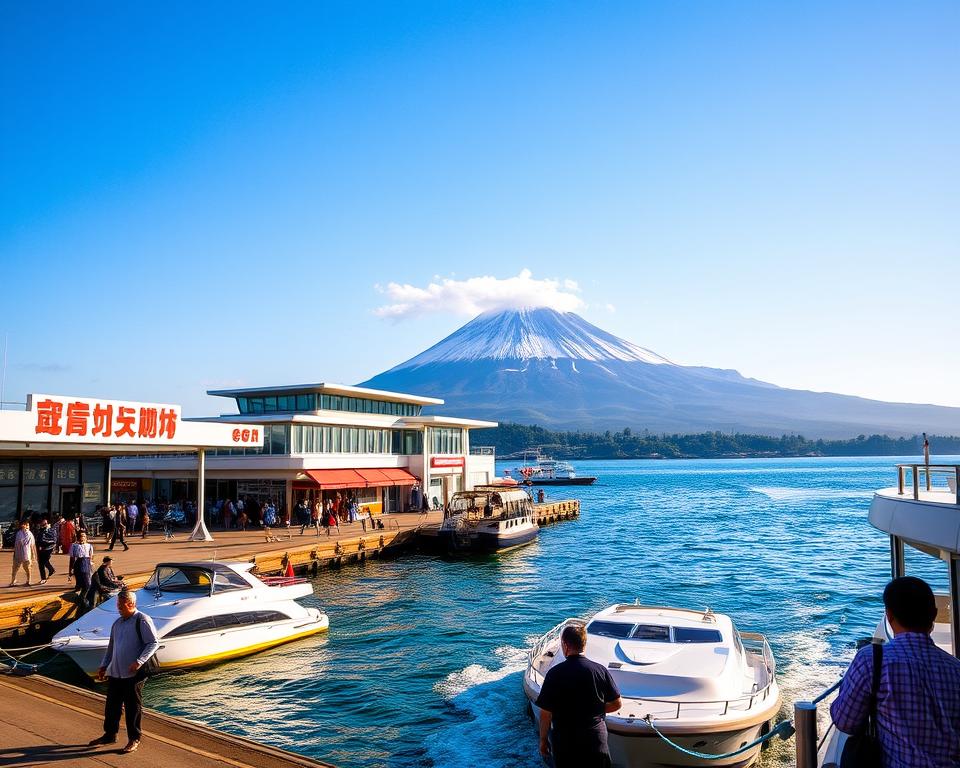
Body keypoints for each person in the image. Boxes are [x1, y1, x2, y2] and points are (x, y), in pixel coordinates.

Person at [830, 576, 960, 767]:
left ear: (889, 615)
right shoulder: (956, 669)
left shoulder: (872, 659)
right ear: (934, 615)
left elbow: (845, 721)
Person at [535, 624, 622, 768]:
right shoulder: (600, 670)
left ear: (565, 645)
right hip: (595, 738)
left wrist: (543, 740)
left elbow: (546, 713)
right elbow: (616, 704)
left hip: (565, 741)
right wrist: (594, 709)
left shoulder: (555, 674)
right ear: (584, 644)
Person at [88, 589, 159, 755]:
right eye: (118, 605)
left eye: (121, 605)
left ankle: (134, 738)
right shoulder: (117, 623)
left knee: (133, 707)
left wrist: (139, 661)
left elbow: (153, 643)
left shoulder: (142, 620)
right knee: (112, 705)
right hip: (117, 672)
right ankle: (110, 734)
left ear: (131, 604)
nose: (119, 608)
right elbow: (111, 647)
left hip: (134, 674)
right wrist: (104, 665)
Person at [70, 530, 95, 607]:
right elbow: (72, 559)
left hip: (87, 563)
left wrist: (91, 565)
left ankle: (81, 599)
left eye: (84, 536)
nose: (83, 538)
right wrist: (70, 570)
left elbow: (91, 557)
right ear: (78, 537)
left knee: (88, 584)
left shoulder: (89, 546)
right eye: (81, 536)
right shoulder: (74, 546)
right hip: (79, 564)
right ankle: (82, 599)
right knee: (84, 584)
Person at [9, 520, 38, 587]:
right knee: (15, 568)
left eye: (27, 525)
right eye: (25, 525)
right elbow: (16, 544)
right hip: (18, 553)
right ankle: (13, 580)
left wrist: (33, 554)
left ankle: (28, 580)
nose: (26, 526)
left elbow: (32, 545)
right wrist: (15, 552)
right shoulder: (19, 533)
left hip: (27, 554)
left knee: (28, 568)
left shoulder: (30, 534)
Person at [36, 517, 57, 584]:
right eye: (42, 523)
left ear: (48, 523)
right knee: (41, 563)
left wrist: (43, 543)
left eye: (45, 523)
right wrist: (38, 545)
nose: (43, 524)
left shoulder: (52, 530)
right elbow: (38, 539)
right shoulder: (40, 530)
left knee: (43, 561)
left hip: (49, 548)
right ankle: (50, 571)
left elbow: (53, 540)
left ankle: (44, 578)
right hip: (40, 548)